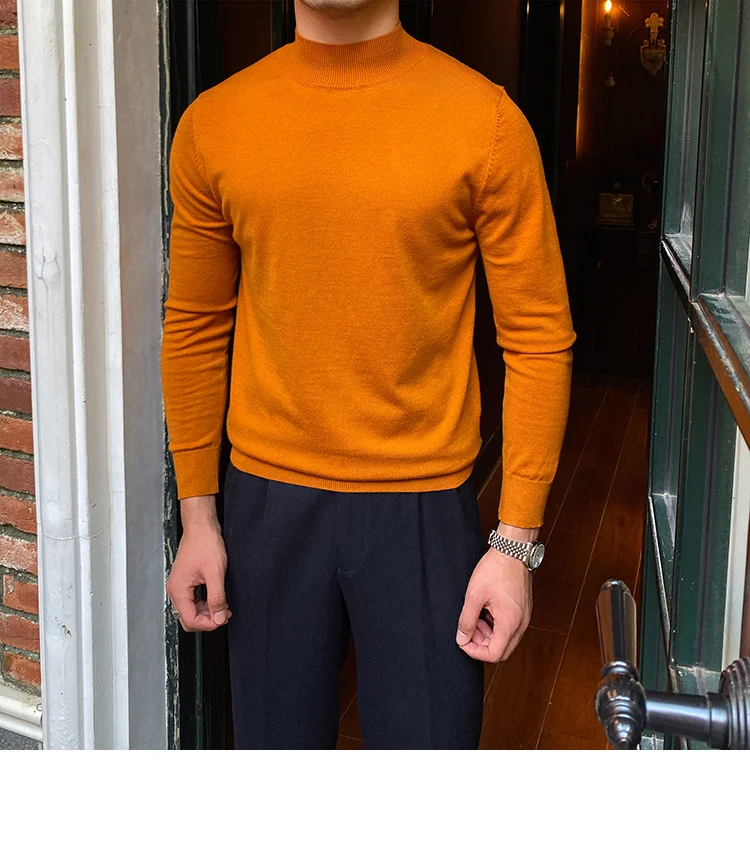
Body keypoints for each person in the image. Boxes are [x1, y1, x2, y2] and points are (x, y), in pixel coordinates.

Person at [161, 0, 576, 749]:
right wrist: (197, 516)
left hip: (423, 507)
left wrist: (515, 543)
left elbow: (538, 337)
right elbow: (195, 323)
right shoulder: (213, 125)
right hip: (265, 505)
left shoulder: (486, 123)